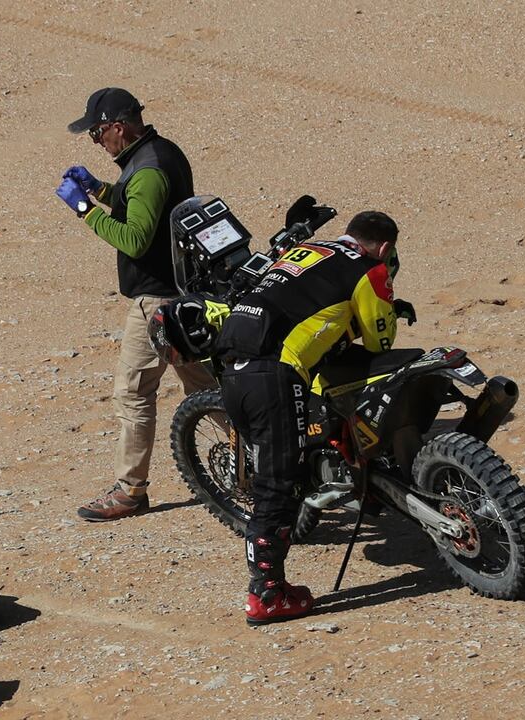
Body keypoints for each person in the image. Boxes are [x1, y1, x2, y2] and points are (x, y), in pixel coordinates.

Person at [150, 210, 401, 625]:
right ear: (386, 248)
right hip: (274, 373)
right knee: (276, 487)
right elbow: (381, 339)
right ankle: (266, 594)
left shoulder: (304, 250)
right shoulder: (367, 267)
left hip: (233, 368)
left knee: (280, 470)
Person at [55, 87, 217, 522]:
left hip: (156, 301)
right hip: (185, 294)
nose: (98, 142)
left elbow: (135, 237)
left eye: (97, 133)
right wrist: (102, 189)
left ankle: (130, 489)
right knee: (206, 390)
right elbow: (147, 208)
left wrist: (86, 210)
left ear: (118, 127)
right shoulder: (163, 153)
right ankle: (253, 465)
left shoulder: (147, 172)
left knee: (134, 393)